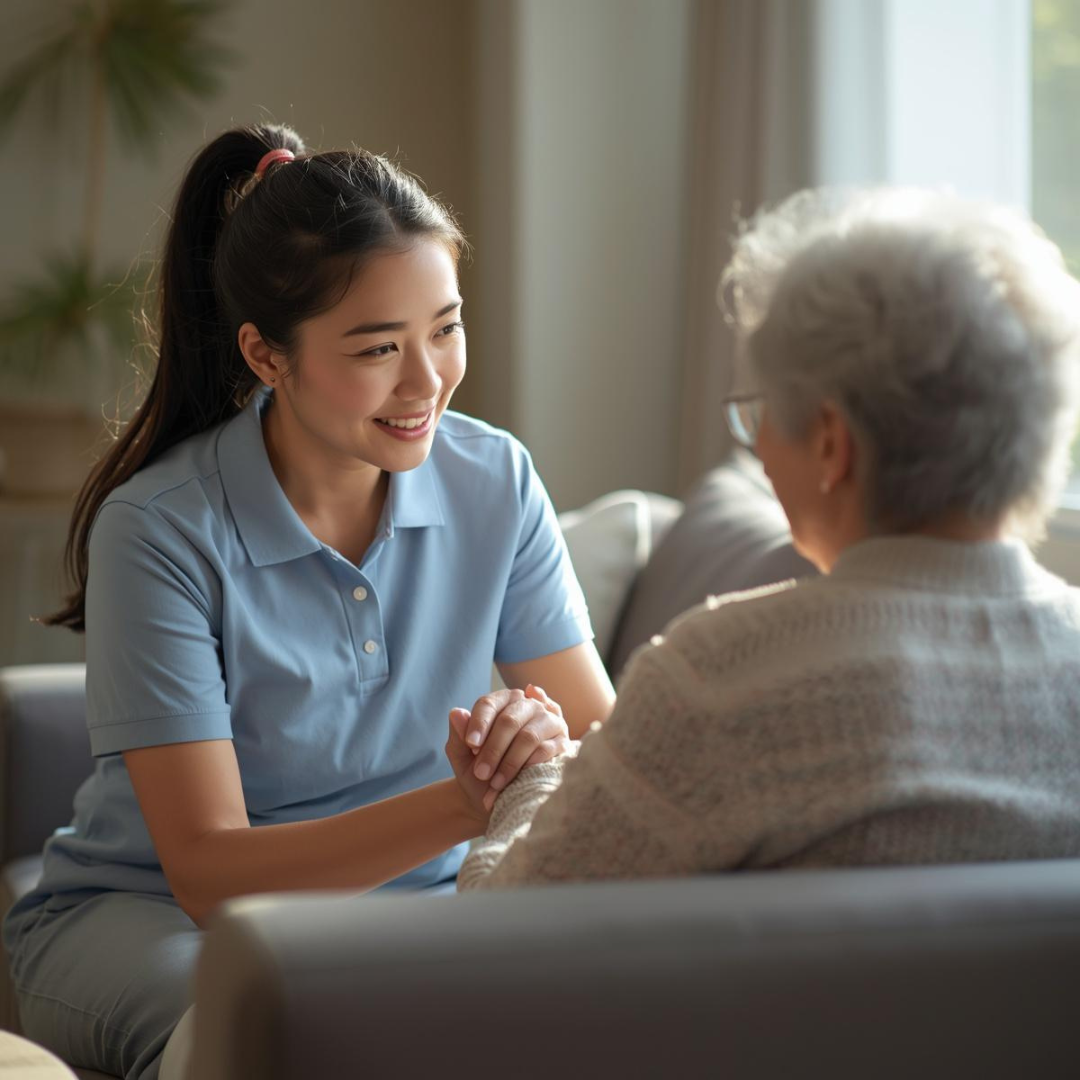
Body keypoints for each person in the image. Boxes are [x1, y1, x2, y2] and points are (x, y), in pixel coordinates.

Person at [1, 123, 615, 1079]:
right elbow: (208, 875)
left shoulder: (496, 479)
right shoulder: (161, 529)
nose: (428, 383)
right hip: (158, 917)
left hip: (429, 901)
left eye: (446, 327)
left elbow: (602, 745)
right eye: (378, 349)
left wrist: (534, 745)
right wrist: (467, 803)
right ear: (266, 355)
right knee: (291, 1030)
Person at [454, 186, 1080, 891]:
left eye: (764, 419)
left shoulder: (722, 677)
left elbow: (502, 932)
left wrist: (533, 781)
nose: (759, 451)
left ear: (831, 444)